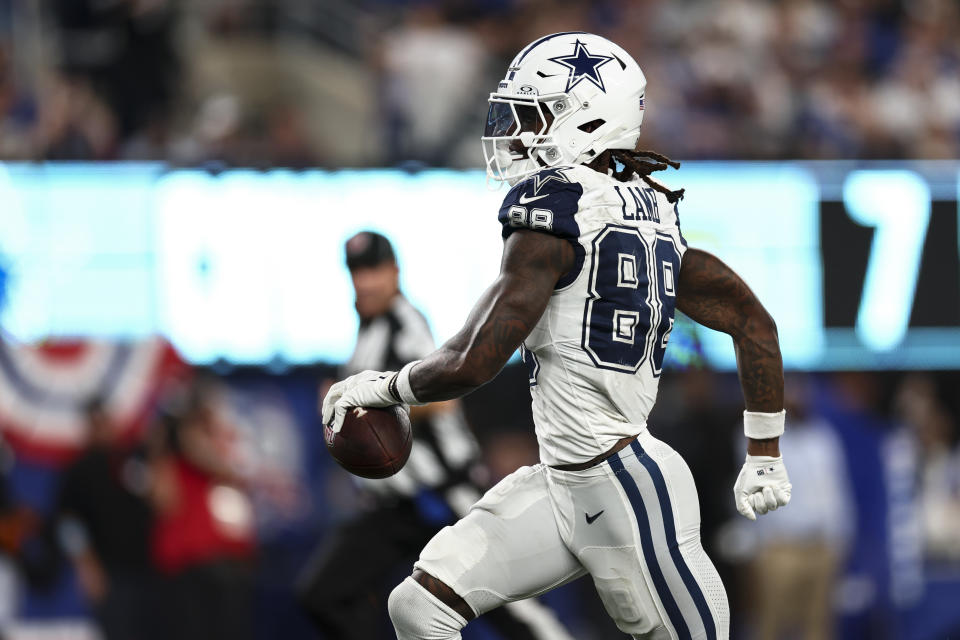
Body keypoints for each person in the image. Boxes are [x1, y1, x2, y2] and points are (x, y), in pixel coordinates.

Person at [323, 33, 792, 640]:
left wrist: (383, 387)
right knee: (419, 606)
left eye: (536, 116)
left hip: (629, 489)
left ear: (589, 119)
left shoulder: (554, 214)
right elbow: (753, 321)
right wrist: (764, 451)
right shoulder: (650, 215)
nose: (518, 136)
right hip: (564, 481)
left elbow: (474, 360)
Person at [299, 231, 572, 640]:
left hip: (441, 496)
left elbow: (443, 401)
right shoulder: (368, 329)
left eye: (374, 270)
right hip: (392, 506)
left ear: (394, 272)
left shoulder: (404, 323)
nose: (366, 281)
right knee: (324, 594)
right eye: (358, 272)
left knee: (511, 609)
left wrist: (372, 405)